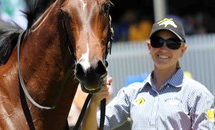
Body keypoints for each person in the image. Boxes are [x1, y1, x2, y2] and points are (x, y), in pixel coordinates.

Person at [82, 17, 215, 130]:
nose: (164, 49)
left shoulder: (198, 95)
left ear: (183, 50)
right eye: (158, 42)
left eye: (172, 43)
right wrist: (94, 102)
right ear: (149, 46)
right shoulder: (132, 93)